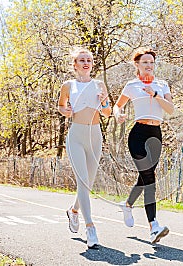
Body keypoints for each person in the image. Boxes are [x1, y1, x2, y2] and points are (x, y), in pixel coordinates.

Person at [113, 47, 174, 244]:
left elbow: (170, 109)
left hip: (156, 135)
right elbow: (117, 105)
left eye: (151, 62)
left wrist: (156, 94)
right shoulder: (131, 85)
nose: (149, 65)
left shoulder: (162, 84)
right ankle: (153, 226)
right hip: (138, 134)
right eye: (145, 62)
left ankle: (128, 204)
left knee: (146, 176)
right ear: (137, 65)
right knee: (149, 178)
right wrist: (118, 114)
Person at [58, 47, 111, 249]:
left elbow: (106, 112)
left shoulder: (99, 84)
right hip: (76, 136)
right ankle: (90, 228)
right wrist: (66, 111)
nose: (86, 62)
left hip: (95, 135)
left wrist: (103, 101)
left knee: (87, 183)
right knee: (82, 179)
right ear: (75, 65)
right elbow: (61, 106)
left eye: (88, 59)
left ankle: (73, 210)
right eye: (81, 60)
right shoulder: (68, 85)